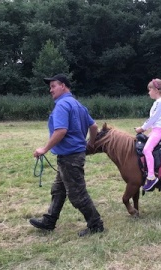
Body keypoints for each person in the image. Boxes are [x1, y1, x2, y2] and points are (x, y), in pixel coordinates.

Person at [29, 74, 104, 237]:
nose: (50, 90)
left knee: (77, 194)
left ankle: (96, 224)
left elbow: (61, 131)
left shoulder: (62, 105)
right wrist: (90, 143)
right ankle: (49, 221)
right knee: (58, 189)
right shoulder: (77, 104)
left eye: (53, 86)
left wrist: (44, 149)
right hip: (72, 156)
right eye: (50, 87)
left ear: (63, 86)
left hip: (70, 157)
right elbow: (94, 126)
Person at [135, 78, 161, 191]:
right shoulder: (158, 102)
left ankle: (151, 177)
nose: (148, 92)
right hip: (155, 129)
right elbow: (153, 119)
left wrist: (142, 128)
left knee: (146, 150)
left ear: (155, 90)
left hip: (158, 131)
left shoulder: (160, 102)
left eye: (149, 90)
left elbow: (153, 118)